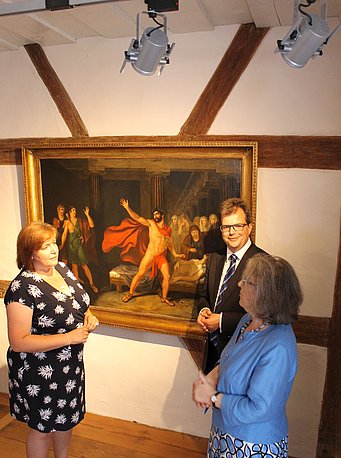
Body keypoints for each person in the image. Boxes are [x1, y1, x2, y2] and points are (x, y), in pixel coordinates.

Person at [4, 221, 99, 458]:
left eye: (54, 243)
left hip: (68, 367)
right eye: (45, 246)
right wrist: (70, 336)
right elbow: (19, 341)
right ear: (30, 253)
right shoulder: (22, 288)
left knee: (65, 421)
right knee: (42, 429)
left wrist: (89, 316)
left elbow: (78, 304)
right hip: (39, 371)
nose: (54, 249)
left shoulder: (62, 270)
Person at [192, 254, 303, 458]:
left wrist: (213, 397)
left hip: (252, 444)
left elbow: (259, 408)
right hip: (225, 432)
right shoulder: (247, 321)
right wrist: (209, 379)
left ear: (263, 294)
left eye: (246, 281)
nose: (240, 284)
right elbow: (230, 358)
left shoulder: (278, 346)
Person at [196, 198, 266, 373]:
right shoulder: (214, 258)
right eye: (226, 227)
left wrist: (220, 321)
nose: (232, 232)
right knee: (210, 399)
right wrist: (203, 310)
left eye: (238, 226)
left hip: (242, 357)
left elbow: (264, 316)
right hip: (211, 353)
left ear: (249, 227)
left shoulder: (264, 264)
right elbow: (203, 295)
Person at [119, 198, 185, 306]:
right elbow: (137, 218)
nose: (155, 216)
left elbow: (169, 243)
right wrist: (127, 208)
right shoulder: (151, 224)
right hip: (150, 254)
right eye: (154, 214)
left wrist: (175, 254)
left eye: (157, 214)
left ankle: (164, 297)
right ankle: (130, 293)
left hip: (161, 256)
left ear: (162, 215)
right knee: (140, 274)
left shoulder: (168, 229)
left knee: (167, 276)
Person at [60, 206, 98, 293]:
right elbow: (65, 234)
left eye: (75, 210)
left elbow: (92, 225)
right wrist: (62, 244)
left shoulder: (80, 221)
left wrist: (87, 215)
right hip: (71, 247)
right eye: (73, 210)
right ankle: (77, 286)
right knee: (74, 266)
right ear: (69, 212)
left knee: (84, 265)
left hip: (79, 246)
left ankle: (92, 284)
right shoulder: (67, 223)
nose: (74, 212)